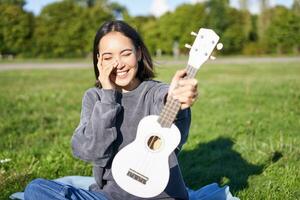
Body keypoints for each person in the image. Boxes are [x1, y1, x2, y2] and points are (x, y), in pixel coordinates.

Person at [24, 20, 198, 200]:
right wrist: (108, 96)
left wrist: (176, 97)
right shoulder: (94, 97)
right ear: (98, 60)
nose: (118, 64)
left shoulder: (156, 92)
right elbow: (90, 152)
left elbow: (168, 103)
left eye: (126, 54)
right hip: (109, 196)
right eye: (108, 57)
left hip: (161, 197)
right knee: (35, 189)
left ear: (138, 53)